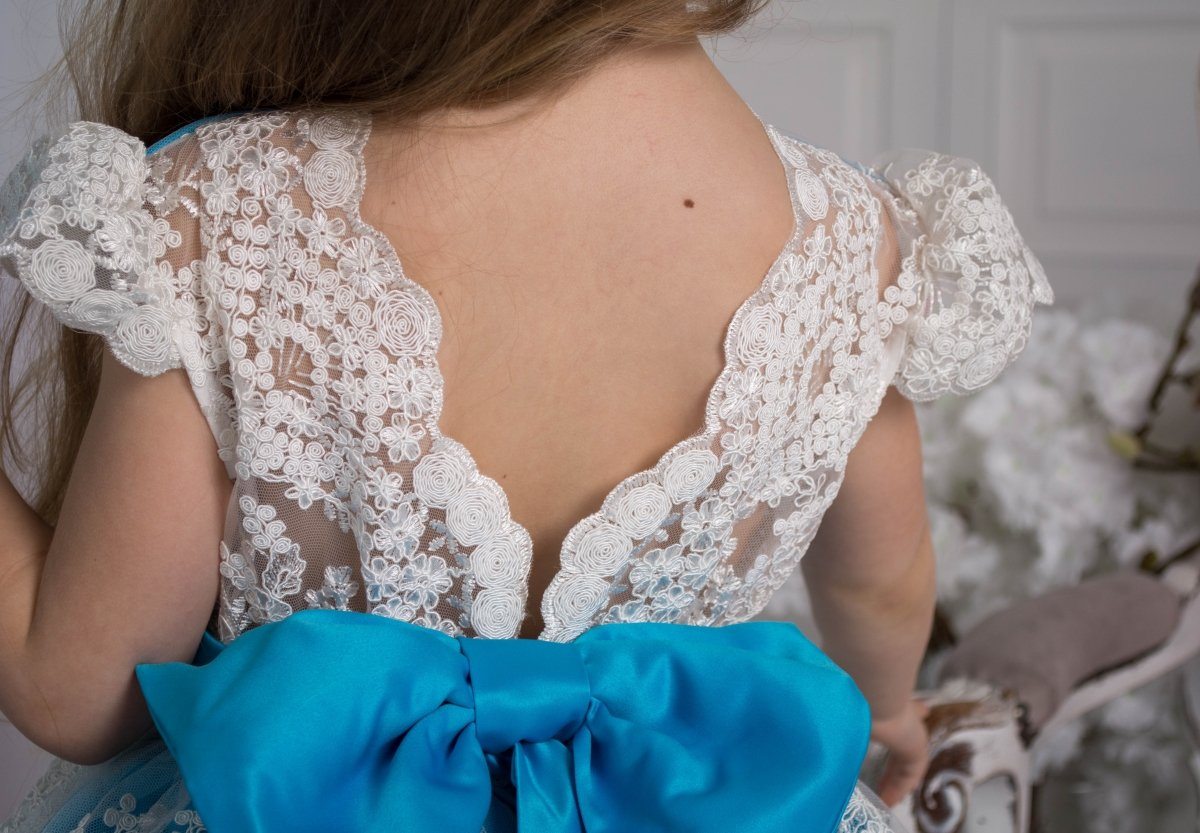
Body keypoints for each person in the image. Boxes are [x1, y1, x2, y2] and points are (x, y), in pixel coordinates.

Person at [0, 1, 1053, 831]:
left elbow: (81, 691)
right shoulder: (859, 242)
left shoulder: (210, 213)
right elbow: (878, 578)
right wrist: (891, 708)